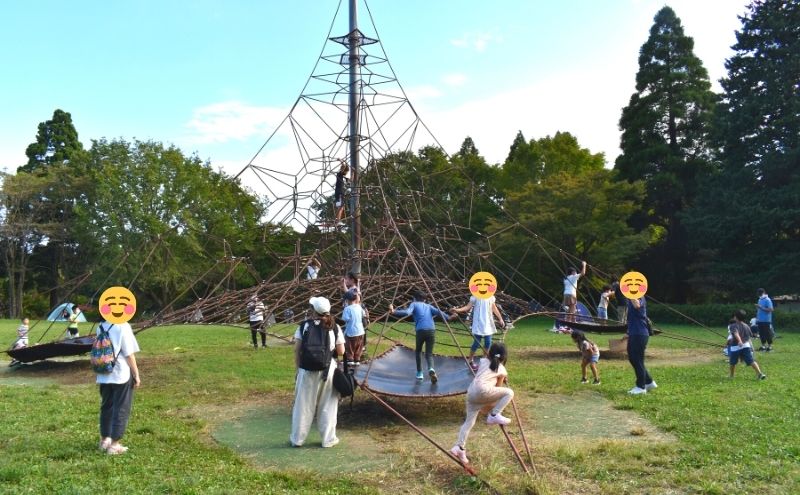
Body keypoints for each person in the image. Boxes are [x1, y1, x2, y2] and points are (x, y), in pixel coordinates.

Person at [290, 297, 345, 448]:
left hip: (306, 370)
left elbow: (297, 350)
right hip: (328, 370)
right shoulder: (335, 327)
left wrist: (297, 370)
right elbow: (341, 351)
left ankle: (297, 439)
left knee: (303, 405)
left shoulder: (304, 326)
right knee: (328, 405)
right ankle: (328, 439)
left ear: (313, 310)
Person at [450, 342, 514, 465]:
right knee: (509, 393)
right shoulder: (501, 369)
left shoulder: (483, 361)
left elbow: (487, 371)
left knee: (469, 422)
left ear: (489, 353)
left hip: (471, 393)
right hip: (483, 392)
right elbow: (497, 387)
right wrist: (501, 378)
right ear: (504, 357)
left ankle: (459, 448)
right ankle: (494, 415)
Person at [96, 319, 142, 455]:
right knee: (121, 408)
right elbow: (129, 354)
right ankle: (115, 445)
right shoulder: (123, 326)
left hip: (103, 373)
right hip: (120, 373)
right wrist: (136, 374)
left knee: (106, 406)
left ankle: (105, 440)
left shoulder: (100, 325)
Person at [389, 290, 455, 382]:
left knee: (418, 351)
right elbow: (439, 312)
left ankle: (420, 373)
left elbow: (407, 312)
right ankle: (431, 368)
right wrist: (448, 317)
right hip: (431, 330)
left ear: (414, 298)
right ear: (424, 299)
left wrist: (394, 311)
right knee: (429, 353)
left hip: (420, 330)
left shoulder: (414, 304)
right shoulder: (429, 306)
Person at [451, 292, 506, 371]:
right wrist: (457, 310)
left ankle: (484, 361)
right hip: (478, 324)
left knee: (488, 342)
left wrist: (500, 318)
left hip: (487, 324)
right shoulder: (475, 296)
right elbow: (468, 307)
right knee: (476, 343)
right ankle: (470, 360)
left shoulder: (490, 297)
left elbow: (494, 308)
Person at [625, 295, 656, 395]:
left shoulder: (639, 296)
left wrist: (629, 294)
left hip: (639, 333)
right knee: (633, 358)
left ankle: (641, 387)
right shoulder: (631, 298)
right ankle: (649, 382)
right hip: (634, 333)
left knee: (637, 359)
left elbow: (637, 305)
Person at [727, 309, 766, 380]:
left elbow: (736, 333)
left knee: (732, 362)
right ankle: (759, 373)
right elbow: (749, 337)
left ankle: (731, 376)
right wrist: (751, 346)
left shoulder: (733, 325)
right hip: (746, 346)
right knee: (751, 361)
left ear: (735, 317)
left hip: (736, 347)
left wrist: (739, 341)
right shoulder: (747, 326)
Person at [341, 290, 365, 365]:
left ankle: (350, 359)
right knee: (359, 345)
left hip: (350, 331)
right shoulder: (359, 307)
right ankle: (357, 359)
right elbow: (363, 315)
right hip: (360, 331)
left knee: (349, 345)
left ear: (347, 300)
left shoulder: (347, 309)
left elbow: (345, 319)